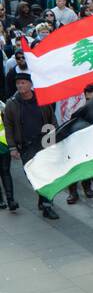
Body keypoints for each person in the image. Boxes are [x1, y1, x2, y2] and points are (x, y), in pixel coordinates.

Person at [3, 74, 57, 218]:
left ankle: (47, 205)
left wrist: (52, 143)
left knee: (46, 175)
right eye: (18, 83)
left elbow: (52, 121)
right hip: (25, 146)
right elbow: (8, 127)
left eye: (23, 83)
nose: (20, 86)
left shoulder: (42, 101)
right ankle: (42, 196)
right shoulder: (12, 104)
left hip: (44, 144)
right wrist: (12, 147)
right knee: (33, 175)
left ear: (30, 84)